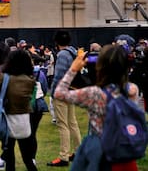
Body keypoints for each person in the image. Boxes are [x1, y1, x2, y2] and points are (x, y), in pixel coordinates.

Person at [54, 44, 141, 170]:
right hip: (123, 148)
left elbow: (59, 93)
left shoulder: (94, 93)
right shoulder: (132, 90)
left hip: (99, 149)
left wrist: (73, 69)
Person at [0, 49, 37, 171]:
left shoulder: (5, 78)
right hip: (24, 119)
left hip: (8, 118)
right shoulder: (30, 80)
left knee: (9, 156)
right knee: (27, 157)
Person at [48, 30, 81, 167]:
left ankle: (64, 156)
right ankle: (79, 151)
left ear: (56, 42)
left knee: (63, 124)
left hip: (61, 92)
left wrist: (53, 91)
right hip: (71, 90)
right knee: (72, 122)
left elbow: (59, 76)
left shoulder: (62, 55)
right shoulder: (73, 53)